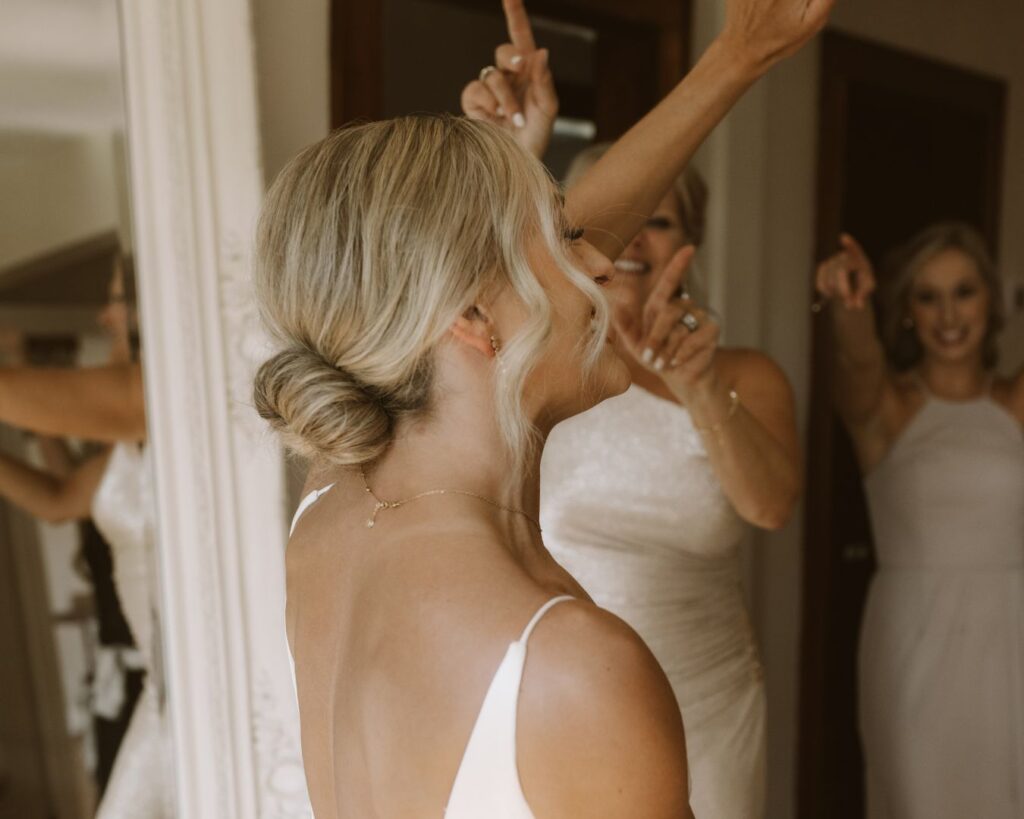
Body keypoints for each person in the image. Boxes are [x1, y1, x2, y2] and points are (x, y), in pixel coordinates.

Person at [259, 0, 832, 816]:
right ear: (471, 314)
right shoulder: (577, 668)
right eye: (564, 238)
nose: (606, 263)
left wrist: (737, 57)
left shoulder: (330, 510)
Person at [491, 140, 799, 818]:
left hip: (709, 702)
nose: (633, 238)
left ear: (691, 239)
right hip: (565, 693)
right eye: (618, 219)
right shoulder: (537, 377)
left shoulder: (748, 377)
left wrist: (699, 385)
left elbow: (771, 506)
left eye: (659, 221)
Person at [815, 224, 1024, 818]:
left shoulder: (1015, 405)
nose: (948, 314)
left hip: (1011, 638)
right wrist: (850, 305)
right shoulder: (886, 410)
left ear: (993, 300)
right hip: (914, 644)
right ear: (906, 310)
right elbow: (857, 359)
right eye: (928, 296)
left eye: (964, 292)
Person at [0, 258, 166, 817]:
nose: (102, 316)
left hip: (184, 682)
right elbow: (56, 501)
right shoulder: (125, 446)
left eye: (114, 302)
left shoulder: (155, 400)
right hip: (160, 694)